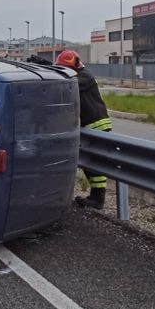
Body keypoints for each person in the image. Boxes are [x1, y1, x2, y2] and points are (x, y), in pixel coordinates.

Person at [56, 49, 112, 208]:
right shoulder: (77, 74)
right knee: (88, 161)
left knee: (96, 162)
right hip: (88, 126)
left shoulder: (85, 76)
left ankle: (98, 198)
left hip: (98, 124)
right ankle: (96, 198)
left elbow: (69, 84)